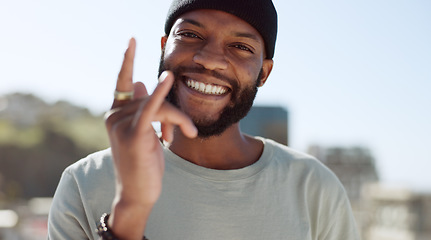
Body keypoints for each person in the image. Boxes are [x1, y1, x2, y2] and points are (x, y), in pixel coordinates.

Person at [48, 0, 361, 239]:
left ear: (263, 73)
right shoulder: (85, 183)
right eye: (190, 34)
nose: (209, 59)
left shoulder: (313, 189)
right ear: (164, 47)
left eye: (240, 46)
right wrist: (131, 209)